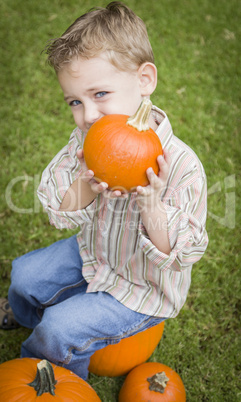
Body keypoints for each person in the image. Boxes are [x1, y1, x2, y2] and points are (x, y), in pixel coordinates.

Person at [4, 2, 208, 380]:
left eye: (99, 94)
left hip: (142, 289)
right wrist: (86, 185)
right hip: (94, 252)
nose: (88, 115)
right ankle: (23, 316)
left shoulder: (182, 166)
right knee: (24, 277)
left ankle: (46, 375)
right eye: (75, 102)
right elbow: (57, 207)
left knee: (61, 328)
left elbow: (182, 253)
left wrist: (151, 204)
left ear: (145, 80)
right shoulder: (87, 140)